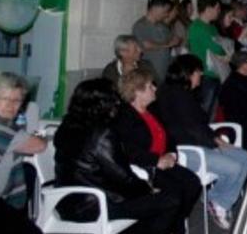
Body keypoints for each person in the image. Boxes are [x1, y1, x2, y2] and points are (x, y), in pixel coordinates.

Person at [54, 78, 181, 233]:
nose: (118, 104)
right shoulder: (101, 134)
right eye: (114, 101)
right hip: (94, 205)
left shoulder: (67, 126)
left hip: (65, 200)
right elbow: (123, 177)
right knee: (170, 201)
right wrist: (148, 189)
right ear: (103, 104)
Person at [154, 54, 247, 230]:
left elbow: (197, 126)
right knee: (235, 166)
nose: (201, 76)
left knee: (244, 157)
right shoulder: (177, 96)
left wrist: (216, 141)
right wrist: (217, 144)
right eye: (199, 72)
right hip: (186, 151)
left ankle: (216, 199)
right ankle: (219, 203)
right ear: (189, 74)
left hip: (198, 144)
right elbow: (193, 129)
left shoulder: (181, 93)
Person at [113, 67, 201, 233]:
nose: (155, 88)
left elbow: (169, 135)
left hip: (164, 161)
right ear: (138, 91)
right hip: (145, 167)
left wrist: (171, 153)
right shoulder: (125, 117)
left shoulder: (153, 110)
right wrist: (156, 161)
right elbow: (129, 151)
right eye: (150, 86)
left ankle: (176, 224)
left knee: (192, 183)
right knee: (175, 191)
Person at [0, 73, 44, 233]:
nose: (11, 106)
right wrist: (40, 136)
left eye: (17, 101)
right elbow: (39, 145)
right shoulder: (2, 128)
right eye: (6, 99)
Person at [188, 0, 228, 113]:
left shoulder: (212, 27)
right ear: (208, 8)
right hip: (204, 73)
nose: (219, 12)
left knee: (213, 109)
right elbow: (217, 48)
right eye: (217, 8)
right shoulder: (197, 27)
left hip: (216, 72)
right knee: (204, 109)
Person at [132, 0, 180, 81]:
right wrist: (167, 45)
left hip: (164, 71)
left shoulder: (162, 26)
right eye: (165, 11)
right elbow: (145, 45)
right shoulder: (141, 25)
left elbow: (171, 40)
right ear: (156, 8)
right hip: (150, 73)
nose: (166, 15)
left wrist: (175, 40)